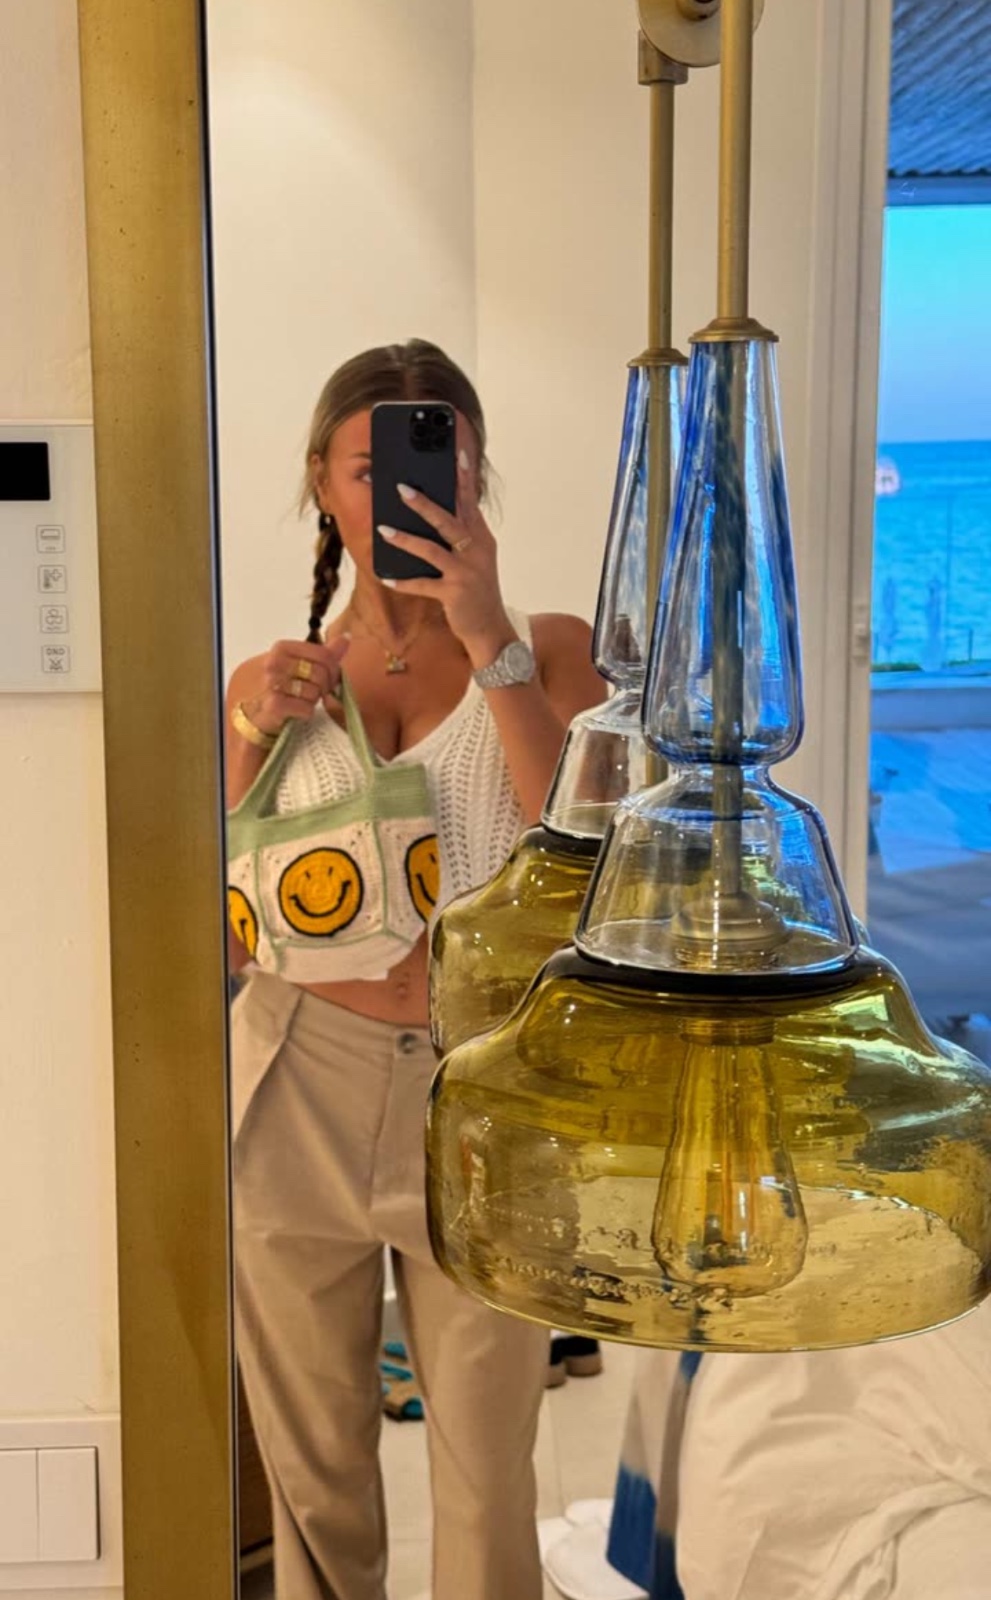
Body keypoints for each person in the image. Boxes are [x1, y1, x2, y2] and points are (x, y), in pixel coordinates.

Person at [225, 338, 606, 1600]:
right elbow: (223, 915)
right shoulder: (272, 683)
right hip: (298, 1076)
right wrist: (250, 733)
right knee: (314, 1464)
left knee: (488, 1462)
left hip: (481, 1081)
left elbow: (584, 850)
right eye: (368, 464)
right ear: (322, 485)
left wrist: (490, 641)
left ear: (476, 474)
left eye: (443, 456)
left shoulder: (551, 649)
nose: (405, 488)